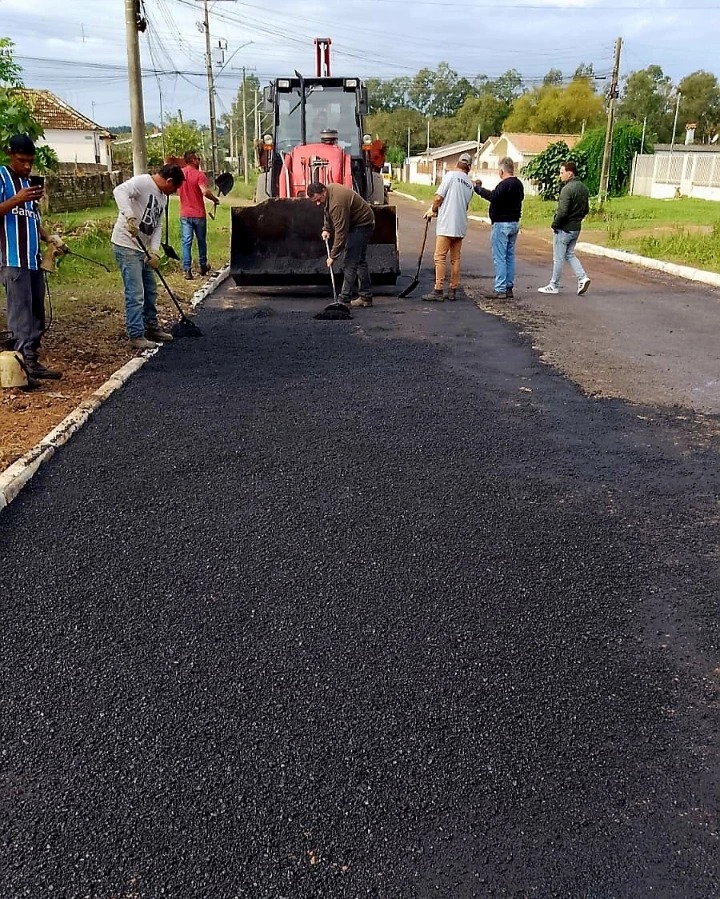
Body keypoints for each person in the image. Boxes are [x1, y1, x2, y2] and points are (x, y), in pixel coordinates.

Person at [0, 134, 69, 381]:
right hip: (13, 259)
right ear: (10, 155)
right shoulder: (2, 177)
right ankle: (20, 369)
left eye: (30, 161)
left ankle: (31, 360)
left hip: (32, 259)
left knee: (36, 312)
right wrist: (16, 199)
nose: (27, 166)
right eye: (22, 160)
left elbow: (32, 217)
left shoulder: (28, 183)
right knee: (20, 315)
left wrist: (49, 238)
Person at [111, 164, 185, 350]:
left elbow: (157, 226)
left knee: (150, 290)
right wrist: (129, 216)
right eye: (175, 188)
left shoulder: (163, 197)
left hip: (142, 249)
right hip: (126, 245)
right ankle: (136, 334)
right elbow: (119, 191)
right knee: (136, 293)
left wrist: (154, 251)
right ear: (169, 181)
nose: (174, 192)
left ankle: (151, 327)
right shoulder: (143, 182)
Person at [307, 181, 376, 308]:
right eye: (315, 201)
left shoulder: (337, 204)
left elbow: (341, 233)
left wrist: (333, 256)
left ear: (323, 191)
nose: (318, 203)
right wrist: (326, 228)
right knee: (359, 260)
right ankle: (366, 297)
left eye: (318, 199)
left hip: (363, 225)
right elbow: (327, 210)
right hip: (356, 223)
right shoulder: (329, 192)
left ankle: (344, 299)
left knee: (350, 262)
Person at [422, 152, 475, 302]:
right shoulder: (470, 184)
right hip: (460, 225)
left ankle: (438, 290)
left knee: (439, 257)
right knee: (455, 258)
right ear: (469, 167)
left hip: (446, 225)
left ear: (458, 163)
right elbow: (463, 205)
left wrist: (433, 209)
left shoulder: (450, 176)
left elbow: (439, 197)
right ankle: (452, 290)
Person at [473, 156, 524, 299]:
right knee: (509, 256)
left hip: (501, 224)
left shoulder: (504, 185)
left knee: (500, 257)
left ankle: (500, 288)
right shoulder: (518, 184)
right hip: (514, 223)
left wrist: (478, 189)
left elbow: (493, 196)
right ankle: (508, 286)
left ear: (502, 171)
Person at [538, 160, 591, 296]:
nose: (560, 175)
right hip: (576, 228)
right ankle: (582, 278)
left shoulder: (567, 189)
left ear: (570, 173)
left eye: (562, 172)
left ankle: (554, 285)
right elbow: (586, 209)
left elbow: (563, 212)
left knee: (558, 258)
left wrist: (555, 225)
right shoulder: (584, 188)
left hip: (564, 229)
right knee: (570, 254)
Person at [178, 150, 219, 280]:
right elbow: (205, 192)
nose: (199, 161)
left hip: (185, 214)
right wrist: (215, 199)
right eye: (198, 159)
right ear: (193, 160)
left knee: (186, 242)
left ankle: (187, 270)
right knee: (201, 241)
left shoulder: (180, 174)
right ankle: (202, 266)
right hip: (198, 214)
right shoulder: (199, 175)